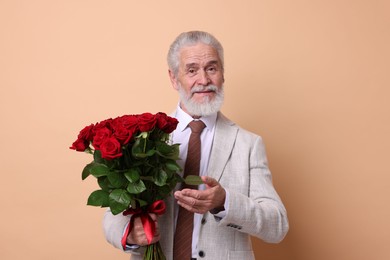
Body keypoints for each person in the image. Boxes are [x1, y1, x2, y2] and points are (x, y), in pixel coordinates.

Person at [103, 31, 289, 260]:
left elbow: (277, 225)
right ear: (173, 78)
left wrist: (225, 202)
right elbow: (112, 217)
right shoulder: (145, 140)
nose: (204, 80)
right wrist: (130, 234)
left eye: (212, 68)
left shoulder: (248, 144)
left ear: (222, 74)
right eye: (192, 70)